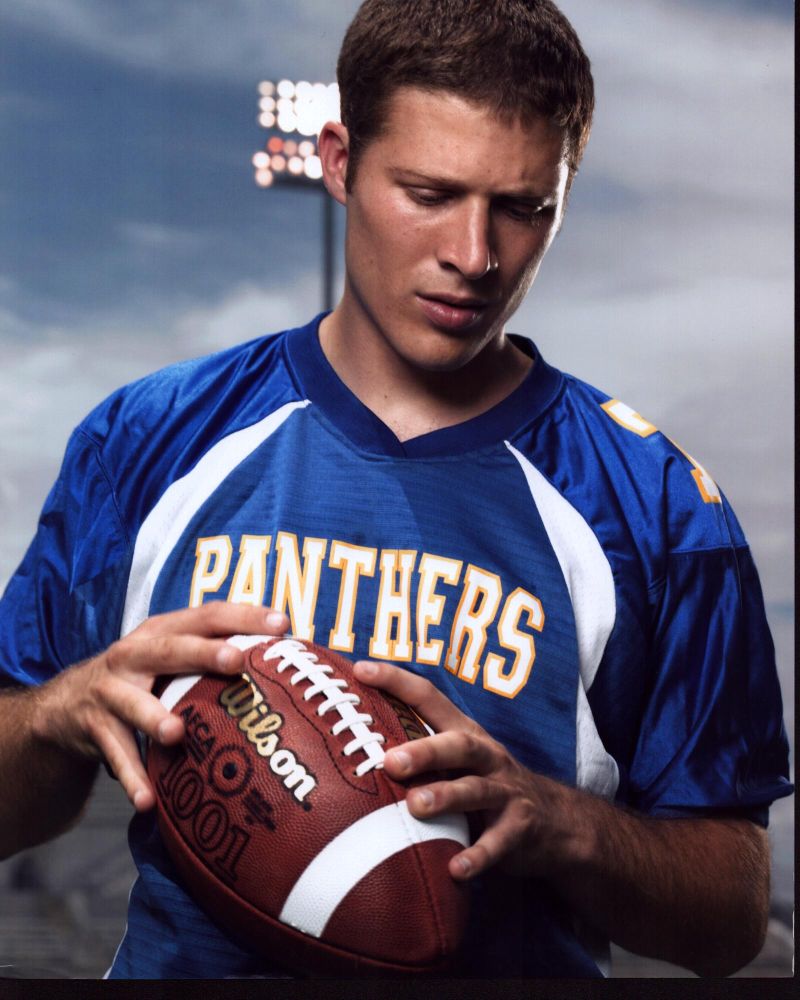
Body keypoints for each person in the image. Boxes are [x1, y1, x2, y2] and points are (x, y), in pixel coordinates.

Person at [0, 0, 791, 980]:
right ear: (336, 160)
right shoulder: (152, 437)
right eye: (427, 191)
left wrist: (560, 824)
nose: (475, 253)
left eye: (523, 205)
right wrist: (55, 712)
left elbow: (727, 920)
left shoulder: (659, 505)